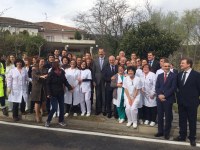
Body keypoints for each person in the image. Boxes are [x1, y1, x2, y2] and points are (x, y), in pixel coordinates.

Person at [174, 58, 200, 147]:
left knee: (192, 121)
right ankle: (182, 135)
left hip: (192, 103)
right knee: (182, 120)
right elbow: (177, 87)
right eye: (181, 63)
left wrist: (197, 101)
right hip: (181, 102)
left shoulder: (197, 75)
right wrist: (178, 97)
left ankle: (192, 138)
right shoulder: (179, 74)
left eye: (182, 63)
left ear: (188, 64)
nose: (180, 64)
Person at [45, 61, 73, 127]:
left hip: (60, 92)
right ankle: (48, 120)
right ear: (55, 66)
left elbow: (65, 81)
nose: (60, 65)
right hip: (53, 93)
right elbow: (47, 84)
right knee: (54, 108)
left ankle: (61, 121)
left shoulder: (62, 72)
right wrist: (48, 93)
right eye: (58, 65)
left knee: (62, 108)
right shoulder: (51, 73)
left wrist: (70, 87)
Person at [155, 61, 177, 140]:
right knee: (160, 116)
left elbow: (173, 88)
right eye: (165, 66)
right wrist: (159, 95)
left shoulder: (174, 76)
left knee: (168, 117)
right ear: (162, 67)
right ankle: (160, 131)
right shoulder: (160, 75)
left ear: (170, 67)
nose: (167, 67)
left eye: (168, 66)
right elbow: (157, 87)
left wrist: (164, 95)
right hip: (159, 98)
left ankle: (166, 133)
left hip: (168, 98)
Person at [31, 58, 48, 123]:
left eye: (43, 61)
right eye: (41, 61)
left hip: (43, 87)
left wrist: (45, 76)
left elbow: (47, 75)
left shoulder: (45, 69)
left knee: (44, 101)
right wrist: (41, 77)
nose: (42, 62)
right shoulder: (34, 69)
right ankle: (37, 115)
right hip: (36, 87)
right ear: (38, 62)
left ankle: (41, 109)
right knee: (37, 101)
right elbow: (34, 75)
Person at [92, 48, 109, 115]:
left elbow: (108, 71)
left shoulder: (107, 60)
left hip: (105, 81)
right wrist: (93, 80)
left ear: (104, 52)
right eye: (99, 52)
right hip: (97, 81)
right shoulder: (95, 61)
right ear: (98, 53)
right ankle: (98, 110)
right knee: (98, 95)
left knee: (104, 96)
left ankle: (104, 110)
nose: (101, 53)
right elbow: (93, 71)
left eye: (102, 52)